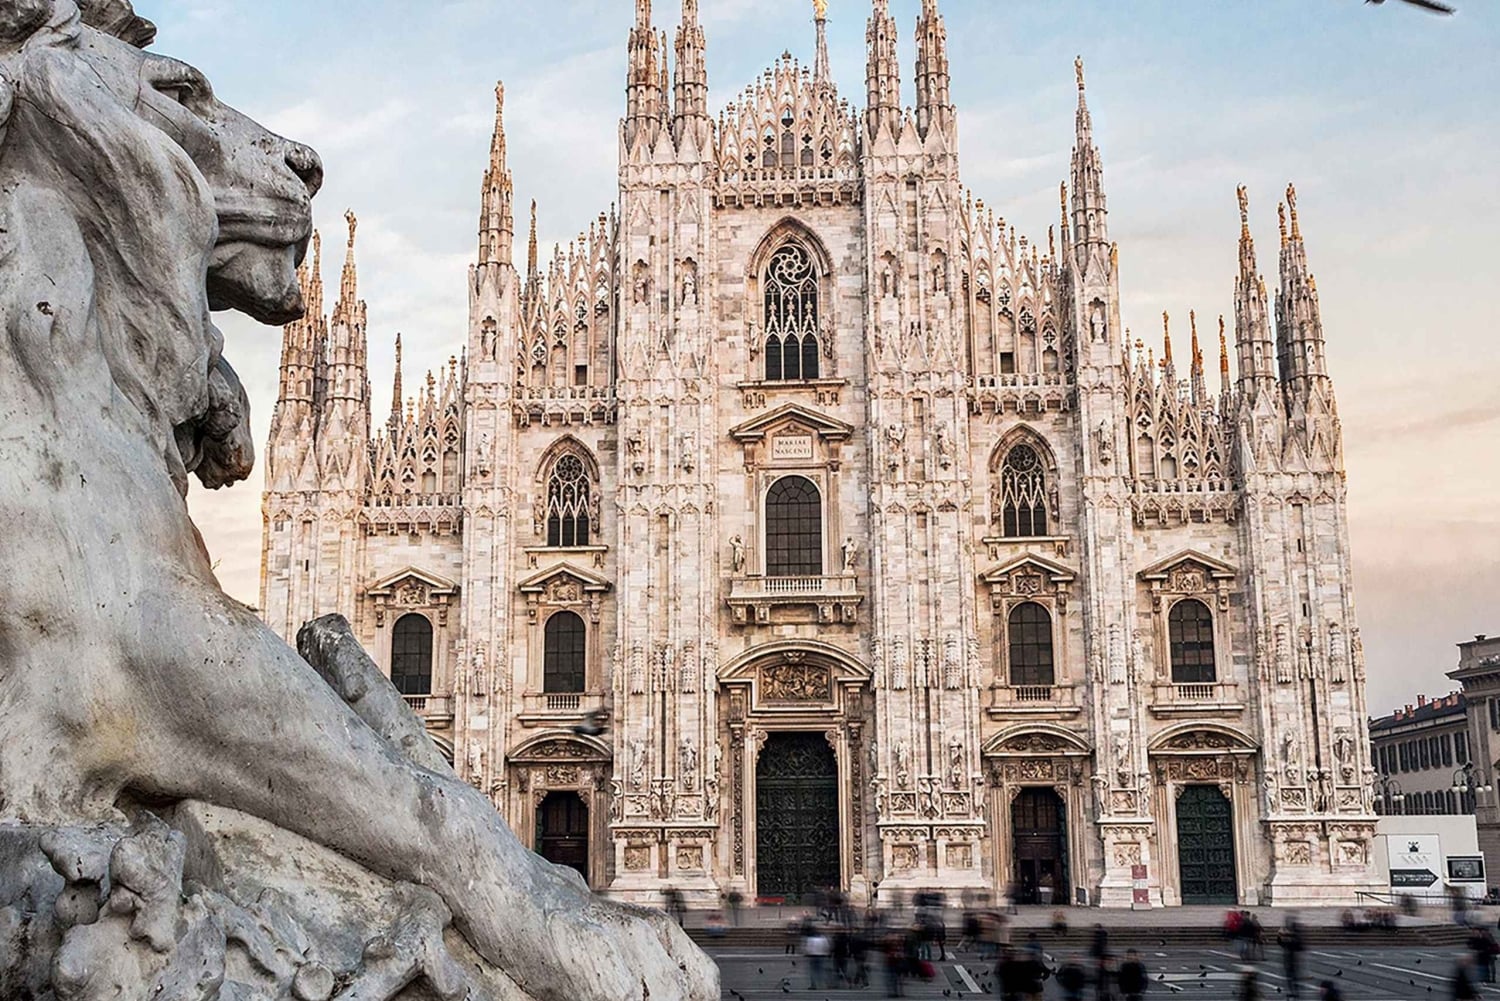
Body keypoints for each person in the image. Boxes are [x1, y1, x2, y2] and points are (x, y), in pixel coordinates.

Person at [1279, 913, 1305, 999]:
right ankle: (1293, 991)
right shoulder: (1291, 937)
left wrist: (1286, 937)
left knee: (1293, 977)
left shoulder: (1295, 937)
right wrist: (1280, 936)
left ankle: (1295, 991)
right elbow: (1281, 943)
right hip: (1289, 959)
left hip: (1293, 959)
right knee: (1290, 977)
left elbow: (1299, 946)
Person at [805, 924, 832, 990]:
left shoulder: (810, 939)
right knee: (821, 970)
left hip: (813, 956)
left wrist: (808, 953)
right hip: (821, 955)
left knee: (813, 971)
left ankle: (813, 985)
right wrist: (827, 953)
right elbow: (826, 947)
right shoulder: (823, 938)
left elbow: (808, 948)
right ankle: (826, 984)